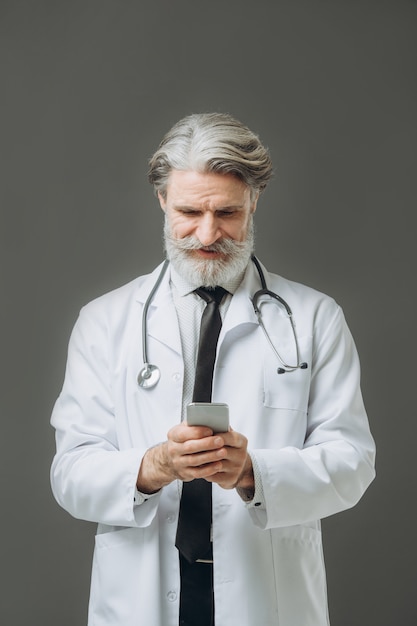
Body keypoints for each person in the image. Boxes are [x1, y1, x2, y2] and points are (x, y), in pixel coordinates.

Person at [50, 112, 376, 626]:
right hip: (141, 595)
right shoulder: (104, 321)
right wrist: (152, 467)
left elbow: (353, 462)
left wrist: (253, 473)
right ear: (161, 201)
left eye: (226, 212)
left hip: (265, 597)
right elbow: (69, 473)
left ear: (254, 201)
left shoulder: (315, 318)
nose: (207, 233)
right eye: (188, 211)